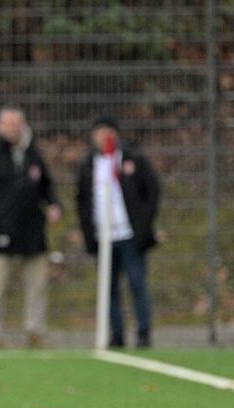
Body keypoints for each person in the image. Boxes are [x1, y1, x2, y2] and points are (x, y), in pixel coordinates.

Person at [0, 106, 62, 348]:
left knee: (37, 283)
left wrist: (53, 204)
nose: (13, 129)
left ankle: (35, 330)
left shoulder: (32, 153)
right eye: (8, 124)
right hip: (3, 230)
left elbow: (47, 185)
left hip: (33, 230)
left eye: (17, 124)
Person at [76, 115, 160, 348]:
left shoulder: (132, 159)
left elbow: (151, 190)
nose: (104, 136)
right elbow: (82, 201)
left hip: (130, 235)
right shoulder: (88, 165)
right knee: (108, 287)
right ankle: (116, 333)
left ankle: (143, 331)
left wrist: (143, 223)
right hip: (103, 237)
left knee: (136, 282)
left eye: (108, 131)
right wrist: (89, 232)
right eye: (100, 132)